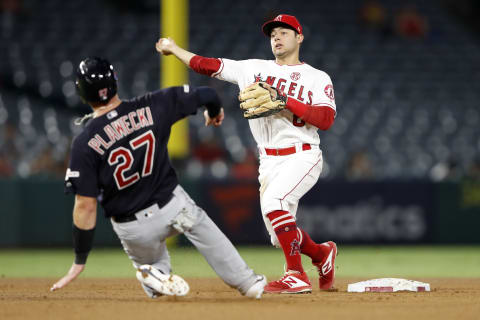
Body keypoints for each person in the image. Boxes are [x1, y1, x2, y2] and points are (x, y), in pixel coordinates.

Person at [50, 57, 266, 299]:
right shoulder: (153, 104)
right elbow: (206, 93)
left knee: (152, 271)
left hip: (132, 227)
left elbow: (85, 205)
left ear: (81, 92)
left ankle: (153, 274)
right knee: (202, 227)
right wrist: (214, 112)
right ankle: (248, 283)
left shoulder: (84, 142)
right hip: (172, 205)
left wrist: (80, 259)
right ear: (115, 83)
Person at [156, 14, 337, 294]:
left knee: (275, 203)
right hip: (268, 160)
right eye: (273, 33)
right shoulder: (252, 69)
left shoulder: (316, 77)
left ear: (299, 37)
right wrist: (174, 49)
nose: (276, 37)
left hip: (302, 154)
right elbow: (208, 65)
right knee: (280, 236)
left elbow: (325, 120)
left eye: (284, 32)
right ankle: (321, 255)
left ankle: (296, 275)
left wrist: (285, 101)